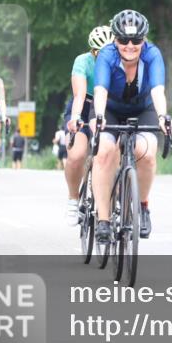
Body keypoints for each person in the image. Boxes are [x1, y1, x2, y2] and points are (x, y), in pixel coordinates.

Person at [92, 9, 170, 245]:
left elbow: (157, 90)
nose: (130, 45)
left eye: (136, 40)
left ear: (143, 39)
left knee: (146, 152)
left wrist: (163, 116)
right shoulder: (107, 55)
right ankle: (104, 219)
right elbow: (100, 90)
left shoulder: (152, 54)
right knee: (105, 153)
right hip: (111, 110)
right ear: (115, 39)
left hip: (142, 108)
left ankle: (143, 205)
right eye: (123, 40)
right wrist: (98, 115)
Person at [62, 25, 115, 225]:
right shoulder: (82, 61)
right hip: (84, 106)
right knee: (76, 155)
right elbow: (80, 94)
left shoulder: (120, 60)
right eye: (101, 52)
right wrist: (76, 116)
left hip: (109, 107)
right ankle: (73, 199)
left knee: (112, 152)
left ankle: (114, 196)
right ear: (93, 51)